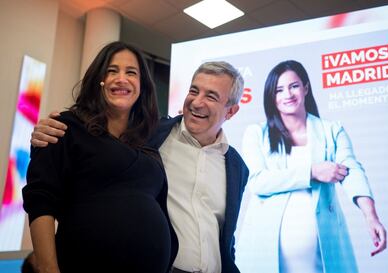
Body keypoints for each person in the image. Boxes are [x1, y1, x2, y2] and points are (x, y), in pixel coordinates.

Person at [30, 61, 249, 273]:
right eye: (194, 91)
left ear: (231, 111)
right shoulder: (147, 134)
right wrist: (52, 131)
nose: (196, 102)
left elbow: (225, 235)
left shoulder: (238, 167)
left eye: (210, 96)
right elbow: (88, 151)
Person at [22, 41, 178, 273]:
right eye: (111, 71)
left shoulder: (148, 144)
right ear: (98, 80)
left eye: (131, 72)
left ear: (142, 86)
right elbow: (40, 200)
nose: (121, 78)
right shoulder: (65, 127)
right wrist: (48, 269)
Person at [235, 60, 387, 273]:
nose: (288, 94)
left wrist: (371, 216)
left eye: (294, 86)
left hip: (323, 254)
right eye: (279, 90)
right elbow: (258, 182)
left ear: (305, 88)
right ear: (272, 97)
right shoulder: (256, 134)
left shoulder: (331, 130)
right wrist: (312, 171)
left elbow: (351, 171)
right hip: (265, 253)